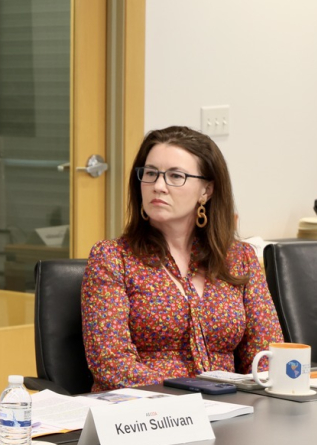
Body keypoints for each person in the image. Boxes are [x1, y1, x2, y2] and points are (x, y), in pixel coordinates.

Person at [81, 126, 282, 391]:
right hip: (145, 414)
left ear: (206, 191)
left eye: (176, 176)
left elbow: (267, 354)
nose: (159, 186)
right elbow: (111, 362)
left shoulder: (239, 258)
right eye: (151, 173)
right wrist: (190, 399)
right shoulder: (112, 258)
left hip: (229, 411)